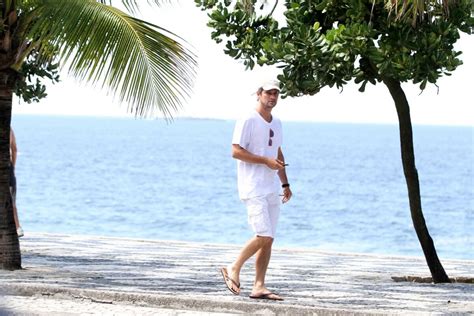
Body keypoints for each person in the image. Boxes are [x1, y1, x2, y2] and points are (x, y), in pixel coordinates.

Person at [220, 79, 292, 301]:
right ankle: (234, 267)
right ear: (259, 94)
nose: (273, 97)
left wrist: (285, 183)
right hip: (253, 187)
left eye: (276, 94)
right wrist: (264, 161)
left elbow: (278, 154)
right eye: (269, 93)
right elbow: (235, 152)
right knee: (264, 234)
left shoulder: (277, 122)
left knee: (269, 239)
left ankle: (258, 286)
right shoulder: (248, 119)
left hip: (271, 187)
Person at [10, 128, 23, 238]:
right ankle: (18, 227)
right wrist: (13, 166)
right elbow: (14, 149)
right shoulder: (8, 129)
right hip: (7, 167)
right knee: (12, 201)